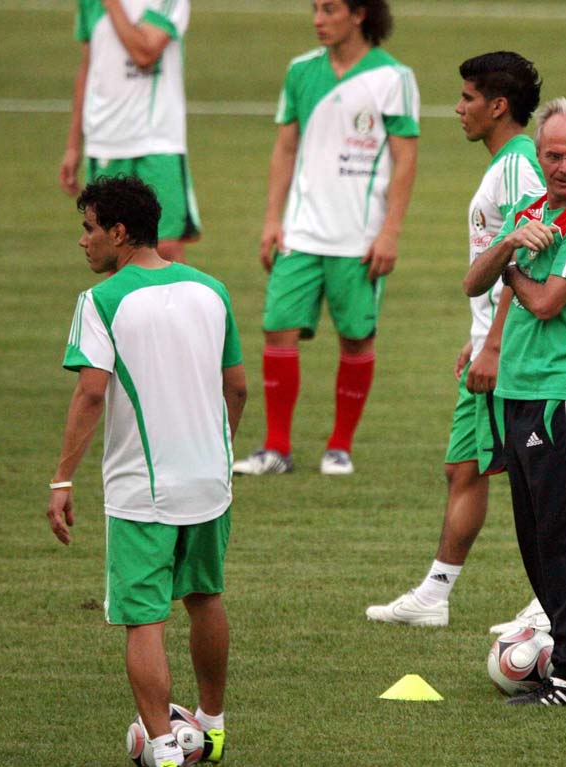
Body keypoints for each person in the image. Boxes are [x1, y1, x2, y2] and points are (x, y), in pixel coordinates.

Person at [47, 176, 246, 767]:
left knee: (144, 618)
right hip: (212, 482)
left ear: (120, 232)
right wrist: (214, 450)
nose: (83, 242)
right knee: (205, 597)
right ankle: (210, 725)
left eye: (89, 229)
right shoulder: (212, 289)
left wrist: (62, 479)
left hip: (143, 491)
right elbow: (237, 387)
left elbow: (89, 395)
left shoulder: (102, 301)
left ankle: (161, 746)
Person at [366, 52, 549, 633]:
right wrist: (478, 338)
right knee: (463, 467)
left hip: (515, 349)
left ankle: (551, 602)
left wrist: (495, 342)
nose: (459, 108)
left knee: (532, 474)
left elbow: (526, 251)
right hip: (490, 341)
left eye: (468, 98)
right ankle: (435, 594)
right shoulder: (502, 165)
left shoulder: (520, 166)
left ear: (498, 106)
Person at [464, 98, 566, 706]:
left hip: (565, 395)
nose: (564, 167)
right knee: (534, 534)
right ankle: (560, 658)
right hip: (519, 394)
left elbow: (548, 302)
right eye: (553, 155)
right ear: (537, 154)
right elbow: (471, 280)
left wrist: (512, 271)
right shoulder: (531, 212)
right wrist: (508, 248)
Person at [232, 0, 419, 477]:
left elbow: (406, 159)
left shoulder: (394, 78)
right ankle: (276, 448)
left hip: (359, 238)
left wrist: (390, 231)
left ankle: (339, 446)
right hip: (301, 232)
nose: (317, 18)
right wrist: (272, 220)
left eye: (329, 8)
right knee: (277, 328)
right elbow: (285, 147)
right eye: (314, 8)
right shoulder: (299, 72)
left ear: (358, 14)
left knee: (356, 338)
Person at [59, 0, 201, 263]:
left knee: (166, 248)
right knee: (112, 252)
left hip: (158, 141)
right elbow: (88, 66)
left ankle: (170, 306)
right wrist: (72, 145)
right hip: (106, 140)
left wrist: (112, 4)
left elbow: (145, 54)